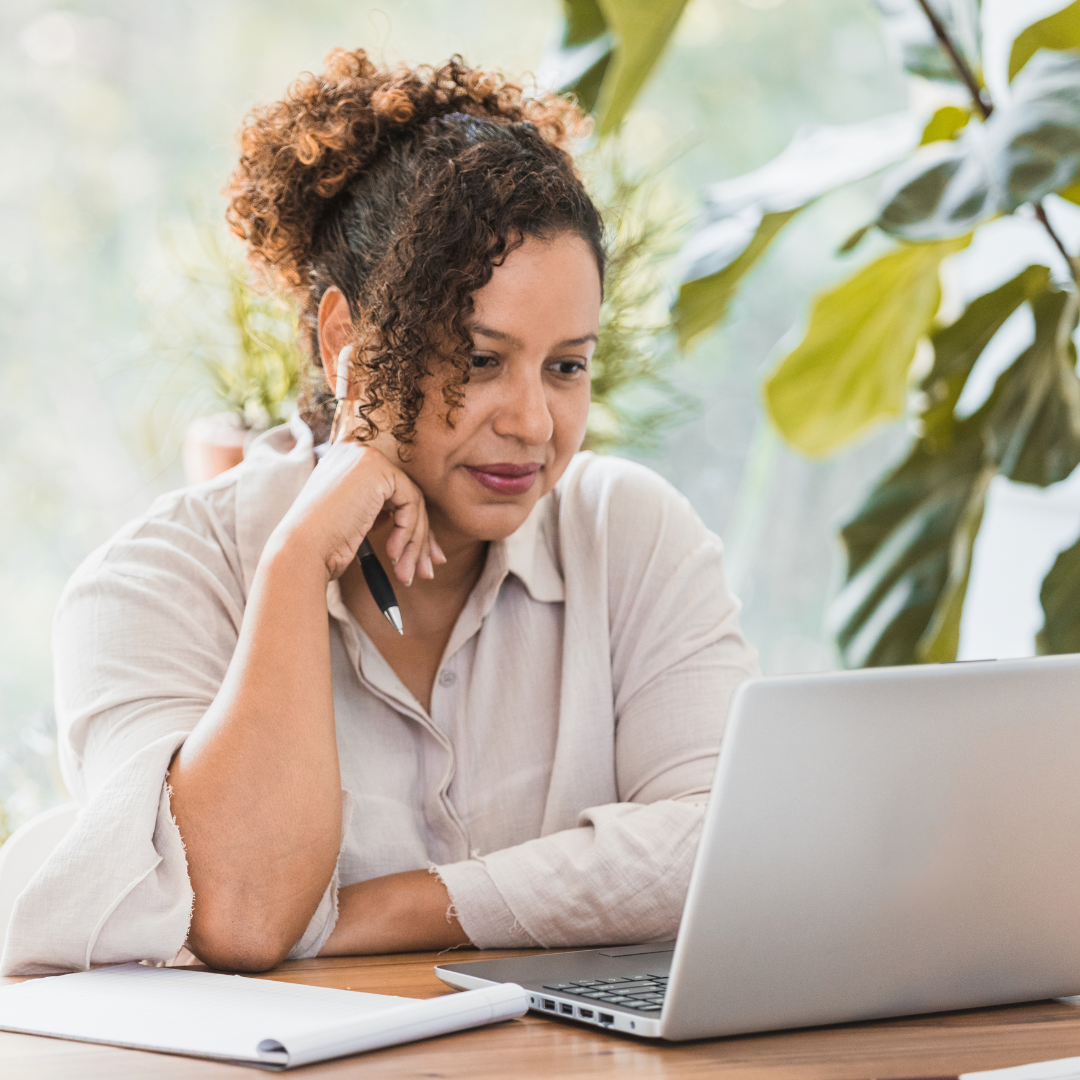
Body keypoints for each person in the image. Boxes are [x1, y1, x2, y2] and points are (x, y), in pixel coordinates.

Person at [1, 49, 758, 976]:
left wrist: (387, 909)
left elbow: (726, 844)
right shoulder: (151, 586)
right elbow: (240, 912)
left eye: (567, 365)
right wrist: (292, 569)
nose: (532, 423)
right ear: (344, 344)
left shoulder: (631, 535)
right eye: (480, 360)